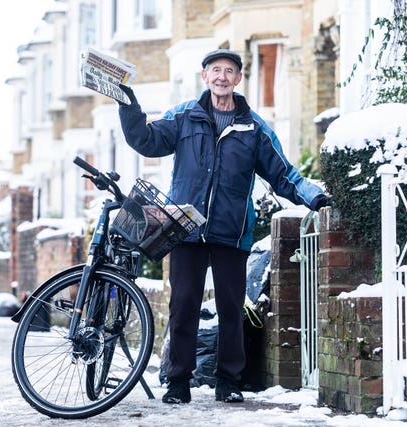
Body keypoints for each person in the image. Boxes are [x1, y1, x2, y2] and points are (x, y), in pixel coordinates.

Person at [117, 48, 329, 404]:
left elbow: (283, 174)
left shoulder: (254, 128)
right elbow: (146, 140)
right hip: (185, 227)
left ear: (237, 78)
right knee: (183, 305)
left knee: (232, 308)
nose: (221, 77)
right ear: (205, 76)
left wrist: (314, 196)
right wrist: (127, 103)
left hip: (232, 232)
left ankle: (228, 381)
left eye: (229, 71)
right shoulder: (185, 116)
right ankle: (178, 382)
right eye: (215, 70)